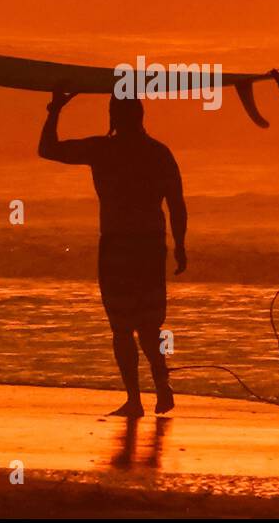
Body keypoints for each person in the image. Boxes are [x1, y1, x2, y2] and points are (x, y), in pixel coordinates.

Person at [39, 91, 186, 418]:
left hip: (118, 244)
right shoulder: (158, 153)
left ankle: (134, 399)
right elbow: (176, 202)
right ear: (141, 116)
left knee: (122, 327)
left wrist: (55, 110)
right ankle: (162, 387)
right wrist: (181, 246)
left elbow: (47, 149)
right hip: (150, 246)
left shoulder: (103, 150)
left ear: (114, 118)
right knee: (150, 326)